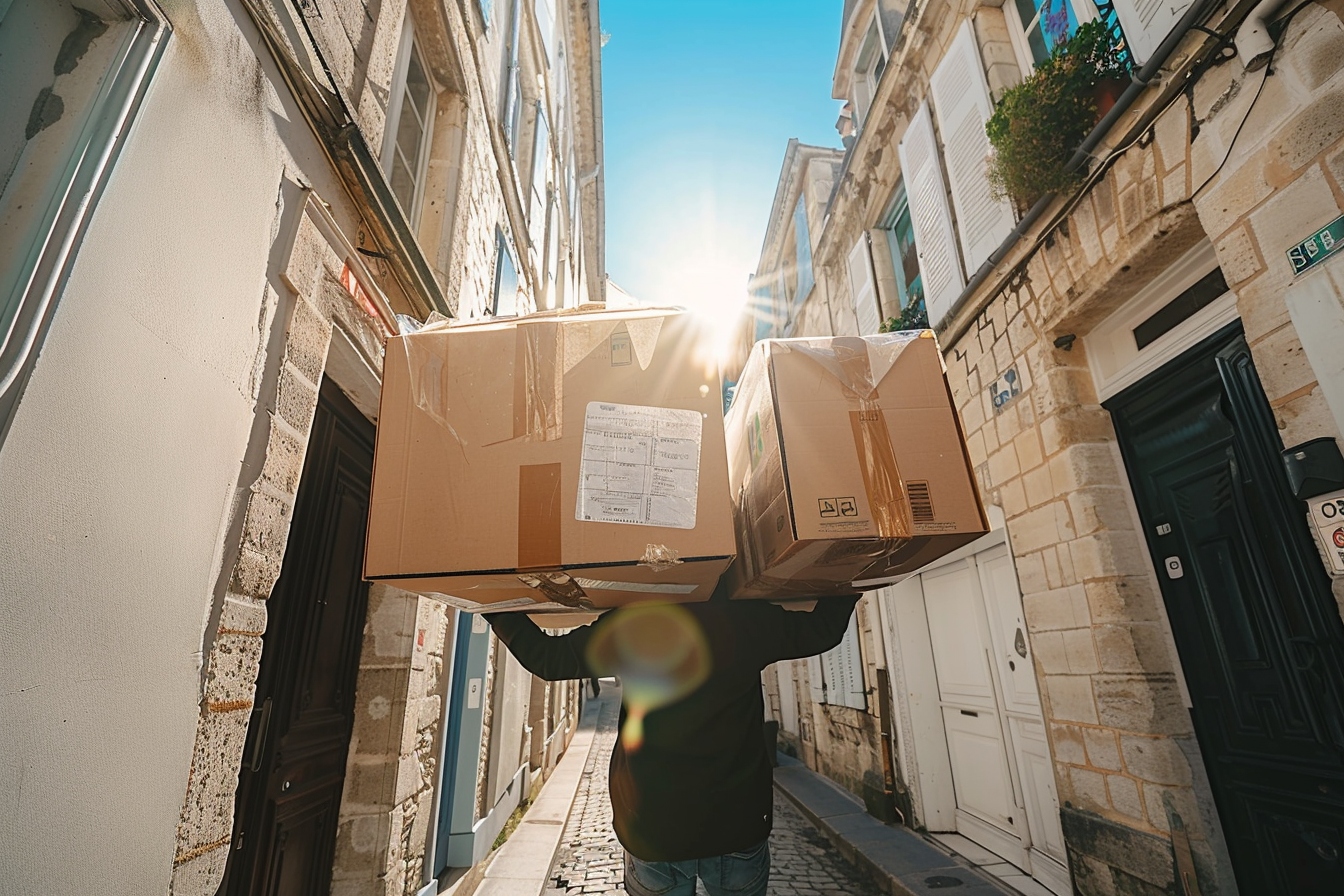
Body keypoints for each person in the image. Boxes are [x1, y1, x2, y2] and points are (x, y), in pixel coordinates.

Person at [484, 591, 860, 896]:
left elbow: (549, 659)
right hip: (736, 822)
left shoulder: (636, 621)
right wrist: (852, 574)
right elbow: (824, 630)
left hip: (654, 827)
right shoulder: (747, 619)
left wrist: (491, 601)